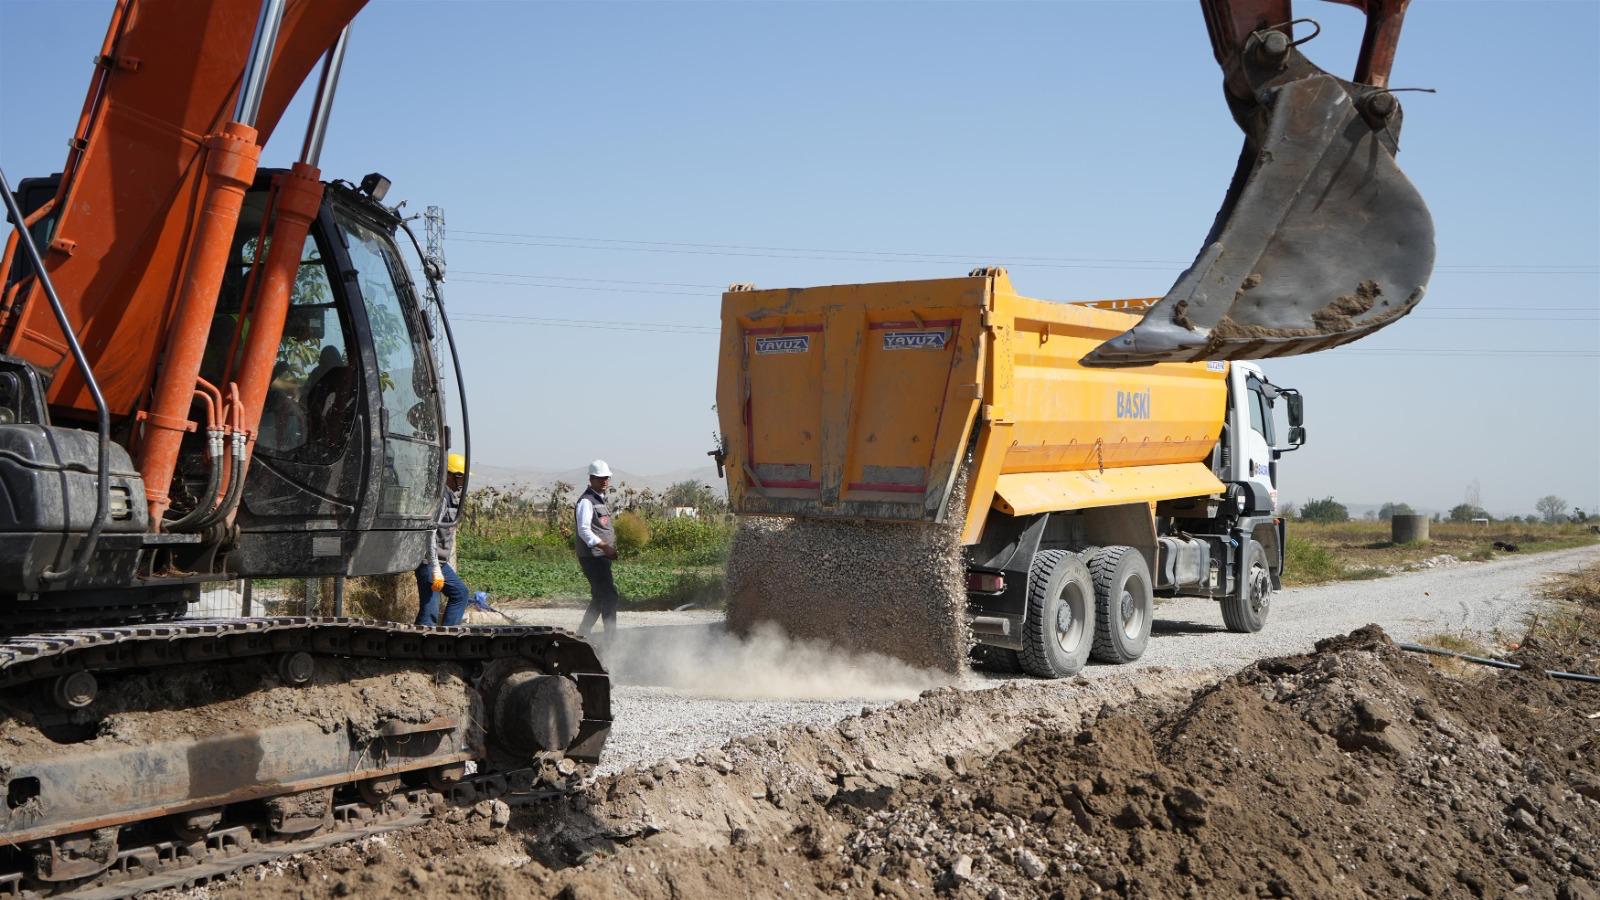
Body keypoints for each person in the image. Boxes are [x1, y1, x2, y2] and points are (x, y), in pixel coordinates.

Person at [416, 452, 469, 625]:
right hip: (429, 562)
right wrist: (435, 568)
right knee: (430, 611)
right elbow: (430, 532)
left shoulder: (451, 496)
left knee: (460, 594)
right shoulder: (441, 499)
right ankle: (421, 646)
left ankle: (448, 638)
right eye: (460, 477)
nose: (462, 482)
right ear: (449, 475)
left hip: (440, 563)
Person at [575, 459, 619, 637]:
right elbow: (584, 530)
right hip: (593, 556)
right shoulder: (586, 501)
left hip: (600, 556)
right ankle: (611, 636)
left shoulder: (597, 499)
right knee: (609, 596)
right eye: (600, 478)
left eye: (606, 478)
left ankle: (583, 633)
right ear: (591, 478)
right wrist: (605, 546)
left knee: (600, 597)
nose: (604, 481)